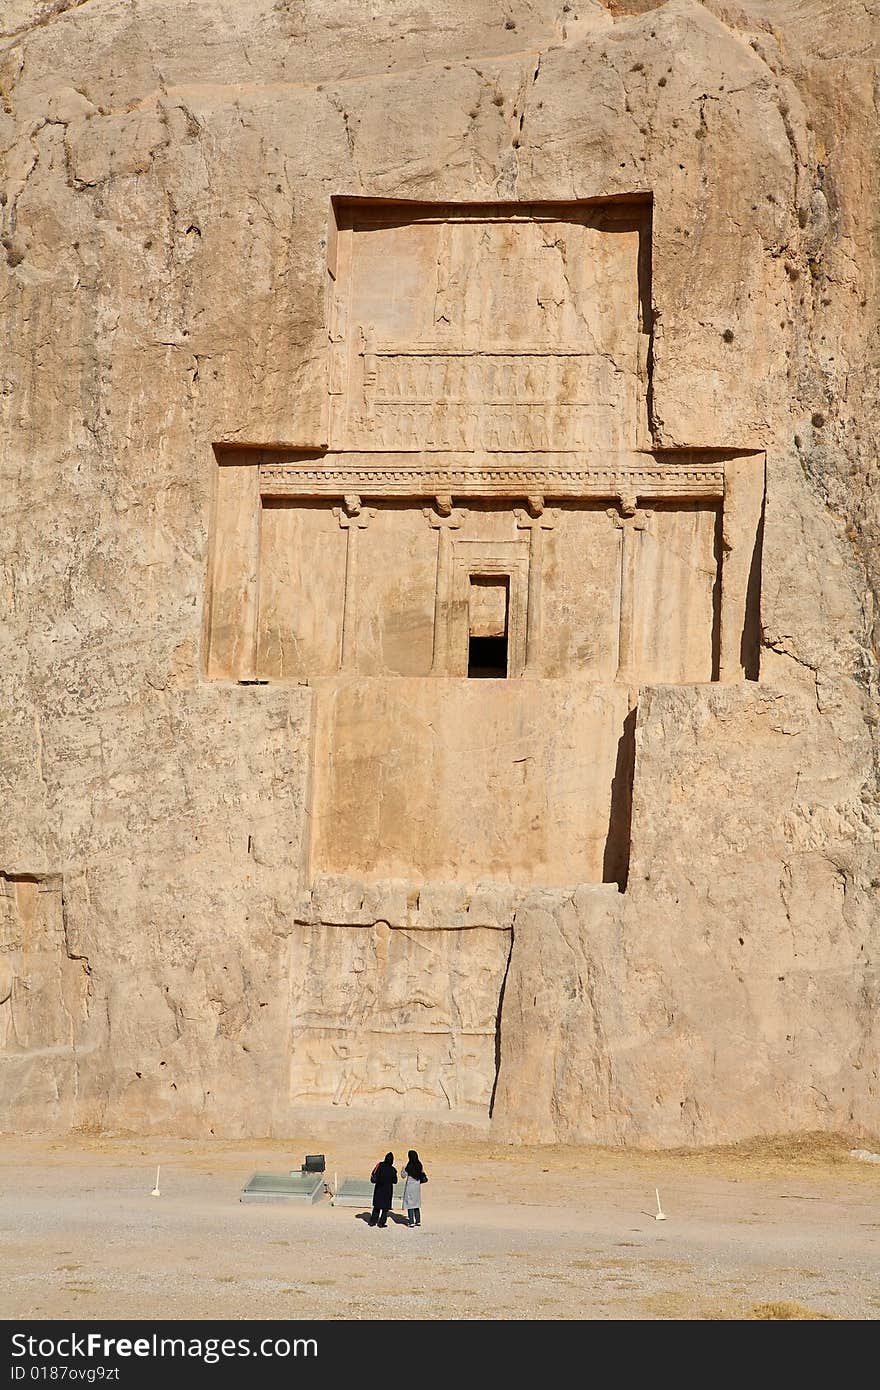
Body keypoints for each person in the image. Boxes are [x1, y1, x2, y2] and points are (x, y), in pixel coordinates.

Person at [368, 1152, 397, 1227]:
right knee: (385, 1208)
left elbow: (374, 1174)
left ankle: (372, 1221)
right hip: (387, 1190)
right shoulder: (393, 1170)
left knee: (377, 1206)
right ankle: (381, 1223)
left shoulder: (380, 1165)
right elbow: (395, 1181)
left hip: (379, 1188)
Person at [401, 1149, 428, 1227]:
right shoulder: (420, 1165)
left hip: (410, 1186)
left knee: (410, 1204)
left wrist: (403, 1169)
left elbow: (403, 1176)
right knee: (416, 1203)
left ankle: (411, 1221)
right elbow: (422, 1173)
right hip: (417, 1186)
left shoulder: (409, 1165)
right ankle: (418, 1220)